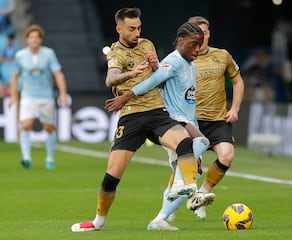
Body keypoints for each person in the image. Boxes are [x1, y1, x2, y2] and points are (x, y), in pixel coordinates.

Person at [71, 8, 211, 232]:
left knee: (185, 142)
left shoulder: (147, 45)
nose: (137, 32)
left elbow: (158, 76)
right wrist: (132, 73)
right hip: (131, 116)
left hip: (156, 111)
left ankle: (188, 187)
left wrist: (155, 65)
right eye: (131, 28)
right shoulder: (115, 53)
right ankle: (98, 222)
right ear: (119, 29)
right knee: (111, 177)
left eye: (139, 27)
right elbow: (111, 79)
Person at [104, 20, 217, 230]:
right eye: (194, 44)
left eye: (200, 44)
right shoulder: (173, 61)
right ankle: (184, 190)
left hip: (186, 120)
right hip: (172, 120)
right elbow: (152, 81)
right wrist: (126, 96)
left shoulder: (189, 64)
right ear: (181, 41)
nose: (198, 49)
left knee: (194, 167)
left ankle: (164, 214)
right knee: (200, 142)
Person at [157, 15, 245, 222]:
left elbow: (238, 81)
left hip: (216, 119)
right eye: (197, 32)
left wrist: (235, 108)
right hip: (190, 120)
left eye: (204, 32)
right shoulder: (180, 58)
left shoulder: (222, 56)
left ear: (209, 33)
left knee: (227, 156)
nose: (201, 36)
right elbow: (161, 83)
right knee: (188, 170)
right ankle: (167, 207)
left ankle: (201, 194)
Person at [8, 24, 68, 170]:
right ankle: (26, 158)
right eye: (31, 37)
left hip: (46, 96)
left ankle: (50, 158)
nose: (34, 40)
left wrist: (63, 94)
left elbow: (58, 74)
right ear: (27, 39)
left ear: (40, 40)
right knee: (26, 125)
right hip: (28, 95)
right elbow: (15, 76)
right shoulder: (20, 56)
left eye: (37, 37)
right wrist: (13, 95)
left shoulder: (48, 54)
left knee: (49, 128)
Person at [0, 33, 18, 98]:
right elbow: (1, 59)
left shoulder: (15, 49)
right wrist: (10, 60)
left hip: (12, 70)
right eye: (8, 40)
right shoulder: (4, 49)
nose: (8, 42)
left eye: (10, 40)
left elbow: (16, 59)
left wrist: (6, 60)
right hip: (5, 71)